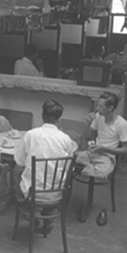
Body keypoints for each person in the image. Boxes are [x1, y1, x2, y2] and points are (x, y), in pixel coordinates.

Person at [13, 100, 78, 234]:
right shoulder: (66, 139)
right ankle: (48, 219)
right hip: (56, 192)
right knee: (54, 176)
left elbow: (19, 161)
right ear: (59, 119)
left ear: (42, 116)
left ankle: (26, 209)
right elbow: (69, 167)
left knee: (16, 171)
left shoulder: (31, 134)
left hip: (32, 191)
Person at [75, 92, 127, 221]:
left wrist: (104, 148)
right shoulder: (98, 117)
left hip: (107, 156)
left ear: (110, 108)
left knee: (100, 171)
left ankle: (87, 168)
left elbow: (126, 149)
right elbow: (88, 137)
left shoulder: (121, 124)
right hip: (93, 152)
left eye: (100, 106)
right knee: (69, 158)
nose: (97, 109)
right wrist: (87, 124)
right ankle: (89, 167)